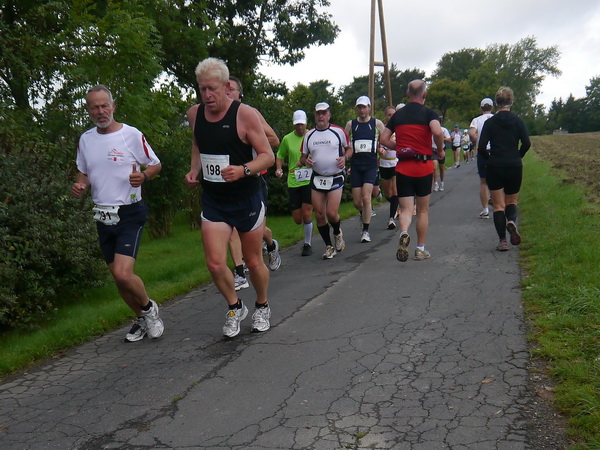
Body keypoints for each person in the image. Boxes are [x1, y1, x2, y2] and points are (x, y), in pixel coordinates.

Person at [184, 58, 275, 338]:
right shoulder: (194, 114)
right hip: (214, 200)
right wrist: (194, 170)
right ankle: (235, 306)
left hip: (246, 197)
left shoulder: (244, 114)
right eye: (202, 89)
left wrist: (243, 170)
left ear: (226, 87)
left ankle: (262, 305)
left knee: (253, 261)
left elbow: (268, 156)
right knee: (214, 263)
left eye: (212, 88)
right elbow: (197, 144)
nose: (207, 95)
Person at [72, 84, 164, 343]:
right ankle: (141, 318)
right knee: (118, 278)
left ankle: (149, 309)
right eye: (95, 107)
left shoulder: (130, 135)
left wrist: (144, 176)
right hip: (103, 214)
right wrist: (80, 184)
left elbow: (155, 164)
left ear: (113, 106)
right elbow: (83, 172)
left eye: (104, 105)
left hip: (129, 211)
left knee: (124, 273)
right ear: (88, 110)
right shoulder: (86, 139)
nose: (100, 111)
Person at [379, 80, 444, 262]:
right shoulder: (429, 113)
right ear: (424, 94)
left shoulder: (398, 116)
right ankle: (420, 249)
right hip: (423, 167)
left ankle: (404, 232)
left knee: (406, 209)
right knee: (422, 211)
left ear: (408, 94)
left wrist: (399, 146)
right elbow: (437, 132)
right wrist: (439, 150)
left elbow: (383, 139)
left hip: (403, 168)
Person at [226, 76, 281, 275]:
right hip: (227, 182)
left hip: (253, 179)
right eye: (224, 89)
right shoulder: (215, 117)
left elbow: (274, 139)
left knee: (254, 231)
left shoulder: (250, 113)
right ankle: (240, 272)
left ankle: (271, 244)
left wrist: (249, 138)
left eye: (231, 89)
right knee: (232, 228)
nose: (227, 92)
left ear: (240, 94)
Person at [477, 87, 531, 251]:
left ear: (496, 103)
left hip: (495, 165)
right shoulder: (518, 121)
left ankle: (502, 241)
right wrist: (517, 156)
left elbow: (481, 147)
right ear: (511, 102)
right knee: (512, 201)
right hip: (514, 165)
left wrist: (489, 159)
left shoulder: (490, 122)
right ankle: (511, 221)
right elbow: (527, 143)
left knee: (498, 206)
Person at [298, 102, 352, 259]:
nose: (321, 116)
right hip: (318, 178)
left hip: (335, 176)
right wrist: (306, 161)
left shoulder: (338, 132)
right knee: (320, 215)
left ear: (329, 115)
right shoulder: (309, 135)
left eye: (324, 113)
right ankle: (329, 246)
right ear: (315, 116)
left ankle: (337, 232)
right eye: (318, 113)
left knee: (331, 213)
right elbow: (302, 157)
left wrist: (345, 158)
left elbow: (349, 148)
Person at [345, 96, 386, 243]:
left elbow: (385, 139)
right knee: (357, 202)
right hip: (356, 166)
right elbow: (344, 143)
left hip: (370, 165)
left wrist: (382, 148)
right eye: (359, 107)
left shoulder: (376, 123)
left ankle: (365, 231)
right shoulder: (351, 124)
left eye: (364, 107)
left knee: (366, 197)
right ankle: (363, 213)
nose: (362, 110)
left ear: (369, 107)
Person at [275, 110, 314, 256]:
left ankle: (307, 244)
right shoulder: (287, 139)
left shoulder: (312, 135)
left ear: (306, 123)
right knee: (298, 219)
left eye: (302, 124)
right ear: (294, 124)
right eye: (297, 124)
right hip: (294, 180)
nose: (300, 127)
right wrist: (279, 168)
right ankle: (307, 229)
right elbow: (280, 155)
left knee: (307, 213)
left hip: (309, 179)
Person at [469, 97, 494, 219]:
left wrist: (476, 141)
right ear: (492, 107)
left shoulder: (476, 120)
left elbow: (471, 134)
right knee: (497, 179)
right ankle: (499, 205)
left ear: (481, 108)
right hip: (495, 151)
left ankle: (485, 210)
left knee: (483, 181)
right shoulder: (496, 118)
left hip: (483, 151)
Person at [379, 105, 399, 229]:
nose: (391, 117)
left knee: (395, 190)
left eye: (393, 114)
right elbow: (377, 145)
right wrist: (380, 149)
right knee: (388, 193)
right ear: (385, 116)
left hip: (396, 163)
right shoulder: (382, 130)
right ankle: (397, 205)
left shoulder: (399, 129)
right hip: (384, 164)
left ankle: (391, 219)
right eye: (389, 115)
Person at [432, 123, 450, 192]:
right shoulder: (430, 130)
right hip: (433, 150)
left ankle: (442, 182)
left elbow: (449, 140)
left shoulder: (443, 130)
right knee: (434, 167)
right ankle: (436, 184)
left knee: (441, 167)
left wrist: (441, 138)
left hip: (441, 149)